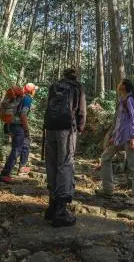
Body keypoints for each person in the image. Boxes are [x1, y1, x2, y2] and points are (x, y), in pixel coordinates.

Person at [43, 68, 86, 227]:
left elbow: (48, 106)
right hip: (66, 130)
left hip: (50, 128)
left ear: (63, 75)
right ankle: (61, 211)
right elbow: (81, 111)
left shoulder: (54, 85)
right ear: (75, 76)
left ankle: (52, 206)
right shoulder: (77, 87)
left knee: (52, 164)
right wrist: (80, 127)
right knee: (65, 164)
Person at [96, 78, 134, 206]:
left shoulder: (129, 100)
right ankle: (108, 189)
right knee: (105, 157)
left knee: (133, 164)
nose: (118, 84)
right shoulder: (122, 100)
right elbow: (120, 121)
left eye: (120, 82)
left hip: (129, 137)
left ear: (124, 86)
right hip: (119, 137)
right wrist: (113, 136)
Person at [0, 83, 38, 183]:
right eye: (35, 90)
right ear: (32, 91)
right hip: (18, 126)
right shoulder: (27, 99)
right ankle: (5, 174)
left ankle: (22, 168)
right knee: (16, 150)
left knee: (25, 144)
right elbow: (23, 115)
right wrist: (26, 130)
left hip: (11, 124)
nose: (35, 91)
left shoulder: (19, 97)